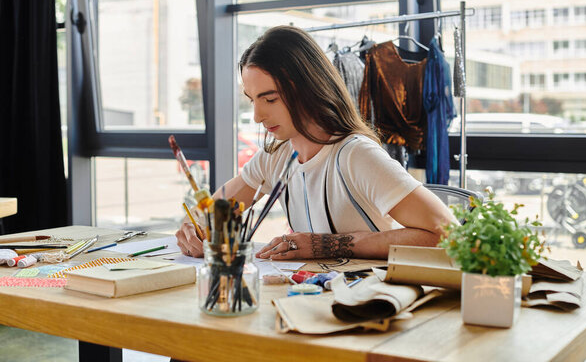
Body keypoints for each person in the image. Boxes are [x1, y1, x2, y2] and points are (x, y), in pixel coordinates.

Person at [176, 25, 456, 260]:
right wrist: (193, 228)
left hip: (368, 306)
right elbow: (212, 215)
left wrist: (325, 245)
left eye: (270, 99)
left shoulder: (356, 155)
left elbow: (448, 235)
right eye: (253, 100)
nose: (258, 116)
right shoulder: (274, 156)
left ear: (308, 89)